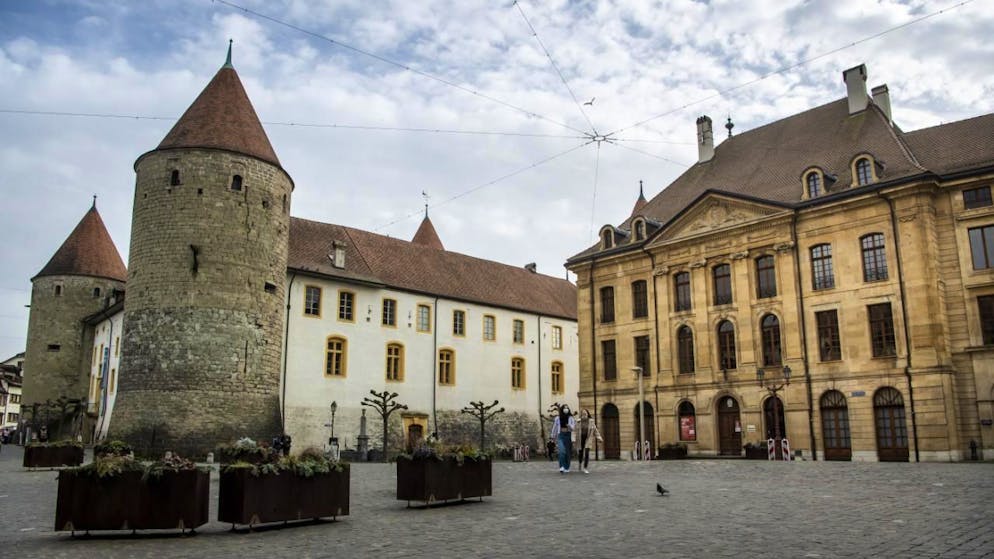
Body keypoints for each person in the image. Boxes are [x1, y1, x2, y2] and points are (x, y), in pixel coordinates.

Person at [549, 403, 576, 473]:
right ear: (562, 409)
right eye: (564, 408)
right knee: (561, 451)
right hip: (561, 435)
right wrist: (552, 436)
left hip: (568, 435)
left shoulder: (571, 418)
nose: (566, 409)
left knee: (567, 452)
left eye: (567, 408)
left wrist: (569, 425)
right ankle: (561, 466)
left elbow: (573, 428)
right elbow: (555, 427)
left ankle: (567, 467)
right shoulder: (558, 418)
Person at [576, 409, 603, 474]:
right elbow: (574, 430)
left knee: (587, 453)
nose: (584, 414)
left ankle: (585, 468)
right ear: (581, 414)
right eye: (583, 413)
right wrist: (573, 439)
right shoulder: (578, 421)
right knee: (581, 453)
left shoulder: (591, 421)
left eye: (585, 413)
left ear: (588, 414)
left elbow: (595, 430)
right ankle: (580, 463)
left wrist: (599, 437)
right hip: (580, 438)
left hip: (588, 439)